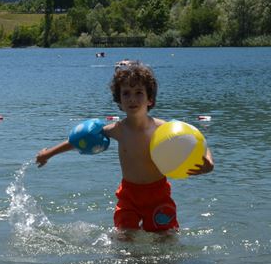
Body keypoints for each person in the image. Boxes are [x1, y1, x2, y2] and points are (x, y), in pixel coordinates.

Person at [36, 60, 213, 235]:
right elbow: (81, 140)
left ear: (149, 99)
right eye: (126, 93)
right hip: (129, 195)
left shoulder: (163, 129)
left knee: (165, 238)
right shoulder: (118, 130)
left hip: (158, 194)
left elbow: (197, 138)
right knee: (124, 239)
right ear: (119, 101)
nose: (132, 99)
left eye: (139, 93)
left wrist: (208, 163)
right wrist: (48, 153)